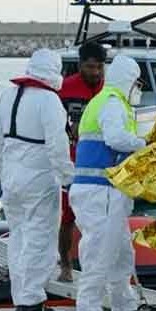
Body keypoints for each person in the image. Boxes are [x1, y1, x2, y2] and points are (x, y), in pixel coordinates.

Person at [71, 54, 156, 311]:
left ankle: (123, 307)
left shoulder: (108, 101)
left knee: (121, 253)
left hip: (107, 193)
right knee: (98, 253)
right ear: (129, 80)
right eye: (138, 83)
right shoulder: (112, 103)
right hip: (101, 193)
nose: (139, 89)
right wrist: (146, 144)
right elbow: (115, 139)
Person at [0, 48, 73, 311]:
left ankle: (21, 298)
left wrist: (1, 177)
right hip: (39, 178)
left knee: (18, 240)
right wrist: (68, 179)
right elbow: (57, 146)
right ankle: (33, 302)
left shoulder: (6, 96)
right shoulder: (49, 101)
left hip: (11, 177)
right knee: (40, 240)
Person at [57, 42, 106, 281]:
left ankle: (94, 268)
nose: (95, 72)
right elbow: (53, 125)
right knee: (67, 217)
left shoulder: (109, 90)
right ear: (80, 65)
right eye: (89, 67)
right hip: (71, 161)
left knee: (98, 217)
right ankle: (65, 265)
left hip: (101, 164)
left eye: (99, 67)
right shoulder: (64, 89)